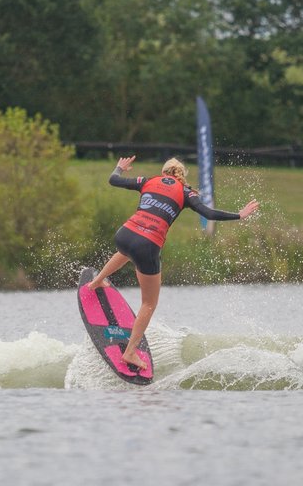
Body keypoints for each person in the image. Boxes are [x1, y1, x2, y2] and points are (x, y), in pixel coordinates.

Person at [87, 156, 259, 370]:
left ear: (164, 171)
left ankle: (97, 282)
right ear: (181, 175)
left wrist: (119, 168)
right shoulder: (187, 193)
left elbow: (113, 180)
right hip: (147, 246)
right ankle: (130, 353)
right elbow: (209, 213)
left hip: (124, 234)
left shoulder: (148, 181)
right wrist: (239, 215)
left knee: (125, 251)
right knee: (149, 303)